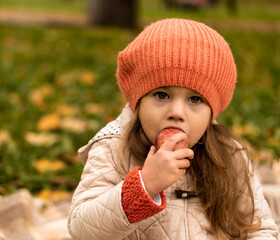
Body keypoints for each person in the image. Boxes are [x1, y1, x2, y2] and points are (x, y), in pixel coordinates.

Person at [67, 18, 279, 239]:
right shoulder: (112, 148)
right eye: (162, 95)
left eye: (195, 99)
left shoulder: (229, 154)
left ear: (212, 112)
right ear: (137, 102)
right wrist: (144, 186)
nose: (177, 112)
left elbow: (259, 228)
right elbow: (81, 230)